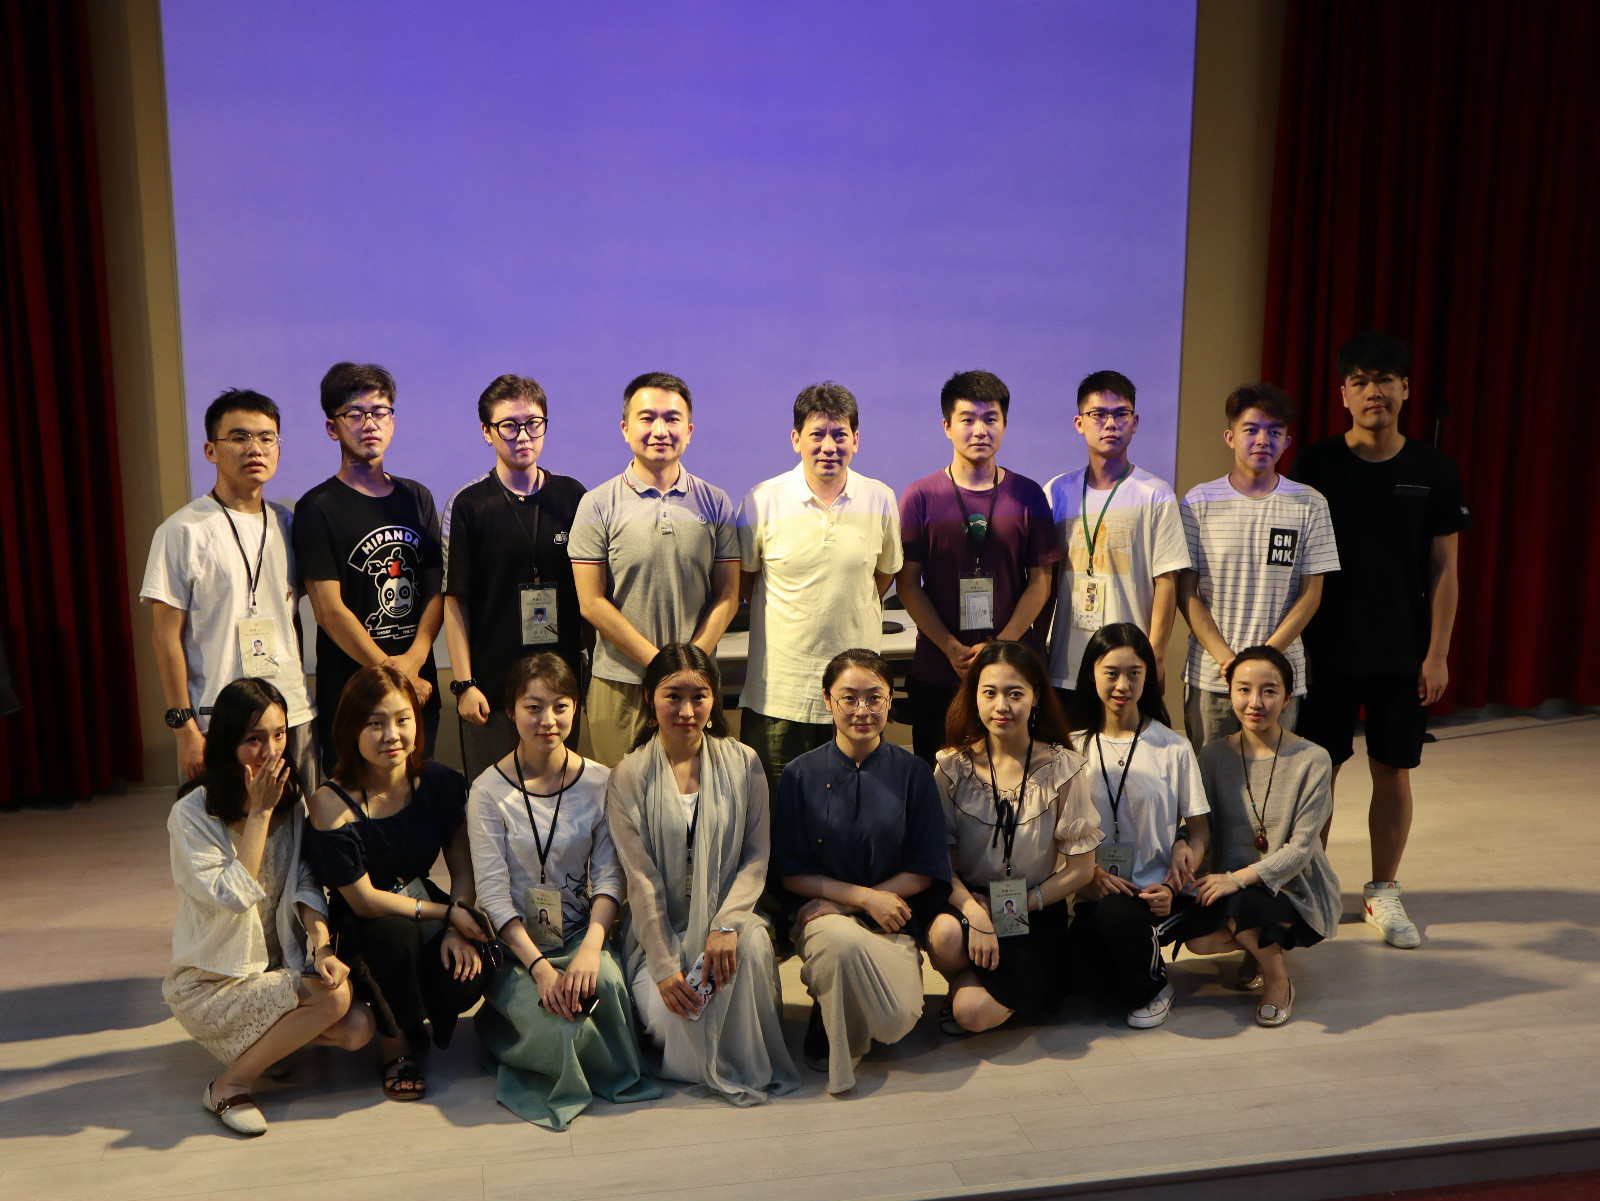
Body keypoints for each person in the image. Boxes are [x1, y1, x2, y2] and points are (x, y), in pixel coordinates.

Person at [1290, 332, 1470, 949]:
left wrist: (1437, 653)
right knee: (1319, 771)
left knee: (1393, 769)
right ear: (1343, 393)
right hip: (1325, 651)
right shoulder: (1315, 465)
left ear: (1406, 388)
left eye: (1386, 379)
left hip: (1402, 650)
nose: (1375, 391)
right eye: (1361, 381)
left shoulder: (1433, 469)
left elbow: (1445, 569)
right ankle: (1311, 885)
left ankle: (1382, 890)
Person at [163, 678, 371, 1136]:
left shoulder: (289, 800)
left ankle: (259, 1048)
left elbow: (306, 881)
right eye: (254, 739)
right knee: (334, 1000)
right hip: (212, 983)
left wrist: (321, 948)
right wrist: (258, 813)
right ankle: (228, 1086)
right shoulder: (192, 815)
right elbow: (233, 896)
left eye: (278, 735)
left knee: (359, 1029)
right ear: (227, 743)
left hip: (274, 969)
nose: (271, 750)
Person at [466, 653, 660, 1128]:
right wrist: (539, 969)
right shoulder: (487, 791)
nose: (548, 720)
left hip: (578, 934)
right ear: (511, 711)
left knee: (605, 984)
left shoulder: (601, 780)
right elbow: (492, 896)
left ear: (577, 708)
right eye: (533, 707)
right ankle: (507, 1032)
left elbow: (611, 876)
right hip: (516, 949)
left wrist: (592, 948)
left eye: (560, 706)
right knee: (561, 1029)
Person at [606, 644, 799, 1105]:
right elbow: (641, 881)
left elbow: (756, 856)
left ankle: (740, 1047)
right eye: (673, 696)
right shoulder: (628, 775)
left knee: (752, 946)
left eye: (700, 696)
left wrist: (726, 924)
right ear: (650, 698)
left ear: (715, 700)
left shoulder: (744, 762)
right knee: (680, 1036)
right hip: (659, 931)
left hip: (730, 920)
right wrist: (664, 965)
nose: (687, 711)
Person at [303, 665, 486, 1102]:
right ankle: (395, 1046)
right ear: (351, 730)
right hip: (360, 923)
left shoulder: (440, 782)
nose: (392, 735)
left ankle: (415, 1017)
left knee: (473, 960)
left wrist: (456, 927)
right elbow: (365, 900)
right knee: (395, 937)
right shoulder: (330, 801)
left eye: (403, 719)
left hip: (420, 903)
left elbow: (463, 871)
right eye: (375, 723)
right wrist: (446, 913)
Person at [774, 649, 952, 1093]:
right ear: (827, 700)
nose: (862, 710)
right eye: (848, 698)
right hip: (824, 921)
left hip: (890, 921)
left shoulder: (914, 773)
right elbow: (790, 871)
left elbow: (926, 868)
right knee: (838, 942)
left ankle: (836, 1000)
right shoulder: (799, 775)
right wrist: (861, 899)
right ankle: (833, 1026)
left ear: (890, 701)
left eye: (875, 698)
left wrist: (855, 902)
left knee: (896, 1019)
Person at [142, 388, 317, 785]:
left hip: (291, 716)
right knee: (223, 823)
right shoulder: (182, 530)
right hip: (217, 721)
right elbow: (166, 637)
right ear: (210, 450)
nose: (255, 448)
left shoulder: (289, 523)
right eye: (239, 437)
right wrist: (184, 729)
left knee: (298, 823)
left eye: (266, 437)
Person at [736, 381, 902, 794]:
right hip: (779, 696)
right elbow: (746, 581)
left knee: (854, 816)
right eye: (817, 434)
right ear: (796, 439)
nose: (829, 446)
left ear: (856, 440)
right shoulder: (761, 501)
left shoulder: (880, 498)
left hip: (855, 700)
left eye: (839, 435)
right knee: (777, 817)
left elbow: (882, 577)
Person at [926, 641, 1099, 1035]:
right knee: (944, 936)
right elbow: (939, 861)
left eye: (1015, 693)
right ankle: (969, 982)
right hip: (971, 903)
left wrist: (1017, 905)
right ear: (974, 698)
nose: (1001, 706)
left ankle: (986, 988)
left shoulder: (1064, 768)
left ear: (1035, 697)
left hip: (1034, 908)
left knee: (971, 1015)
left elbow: (1081, 870)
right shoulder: (951, 767)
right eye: (989, 693)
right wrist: (977, 913)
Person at [569, 373, 740, 765]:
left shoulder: (716, 503)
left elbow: (729, 595)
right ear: (625, 428)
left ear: (689, 431)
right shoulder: (597, 504)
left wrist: (689, 667)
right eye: (647, 418)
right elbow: (591, 602)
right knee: (621, 794)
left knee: (697, 792)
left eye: (672, 419)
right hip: (621, 686)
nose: (660, 430)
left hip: (697, 687)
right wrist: (661, 665)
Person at [897, 370, 1060, 763]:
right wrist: (951, 647)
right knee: (938, 781)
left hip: (1012, 673)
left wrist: (999, 647)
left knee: (1015, 779)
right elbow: (908, 584)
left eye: (991, 419)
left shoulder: (1028, 495)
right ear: (947, 426)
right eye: (967, 419)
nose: (980, 430)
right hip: (939, 669)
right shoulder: (919, 496)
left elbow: (1041, 582)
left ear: (1005, 424)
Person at [293, 363, 444, 771]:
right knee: (355, 797)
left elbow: (435, 590)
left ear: (392, 421)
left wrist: (414, 661)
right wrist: (395, 675)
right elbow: (329, 611)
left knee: (414, 789)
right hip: (352, 692)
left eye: (380, 412)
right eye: (355, 414)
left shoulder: (418, 497)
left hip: (418, 686)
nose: (370, 423)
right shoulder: (317, 507)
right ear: (332, 427)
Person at [1058, 624, 1209, 1028]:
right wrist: (1089, 874)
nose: (1122, 685)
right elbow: (1058, 833)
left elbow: (1199, 831)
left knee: (1117, 919)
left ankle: (1155, 986)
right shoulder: (1072, 747)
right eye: (1111, 672)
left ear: (1148, 677)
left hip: (1155, 895)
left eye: (1134, 673)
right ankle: (1129, 961)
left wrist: (1173, 885)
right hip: (1094, 893)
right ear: (1091, 673)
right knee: (1081, 984)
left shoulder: (1173, 747)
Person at [1181, 646, 1340, 1026]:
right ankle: (1256, 946)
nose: (1255, 702)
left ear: (1287, 697)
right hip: (1232, 885)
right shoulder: (1213, 756)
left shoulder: (1313, 759)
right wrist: (1182, 846)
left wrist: (1236, 879)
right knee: (1197, 941)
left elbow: (1301, 850)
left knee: (1242, 905)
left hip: (1294, 887)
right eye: (1244, 689)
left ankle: (1277, 979)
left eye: (1269, 691)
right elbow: (1202, 827)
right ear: (1230, 692)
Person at [1177, 383, 1340, 751]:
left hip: (1278, 676)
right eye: (1251, 430)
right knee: (1210, 777)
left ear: (1287, 441)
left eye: (1274, 432)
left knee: (1272, 776)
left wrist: (1264, 659)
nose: (1262, 440)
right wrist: (1229, 660)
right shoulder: (1199, 501)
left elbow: (1311, 595)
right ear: (1230, 437)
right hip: (1213, 674)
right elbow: (1187, 592)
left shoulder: (1310, 503)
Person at [442, 374, 588, 779]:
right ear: (487, 431)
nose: (523, 436)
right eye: (509, 425)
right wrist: (463, 683)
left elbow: (590, 593)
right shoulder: (469, 504)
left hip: (560, 689)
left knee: (559, 795)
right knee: (494, 797)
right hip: (491, 689)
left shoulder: (573, 497)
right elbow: (455, 600)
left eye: (533, 423)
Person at [1044, 371, 1189, 711]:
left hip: (1128, 667)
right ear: (1079, 423)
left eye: (1121, 414)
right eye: (1098, 414)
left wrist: (1155, 656)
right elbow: (1044, 579)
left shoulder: (1155, 494)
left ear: (1134, 422)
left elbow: (1167, 580)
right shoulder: (1057, 491)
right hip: (1065, 663)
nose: (1110, 423)